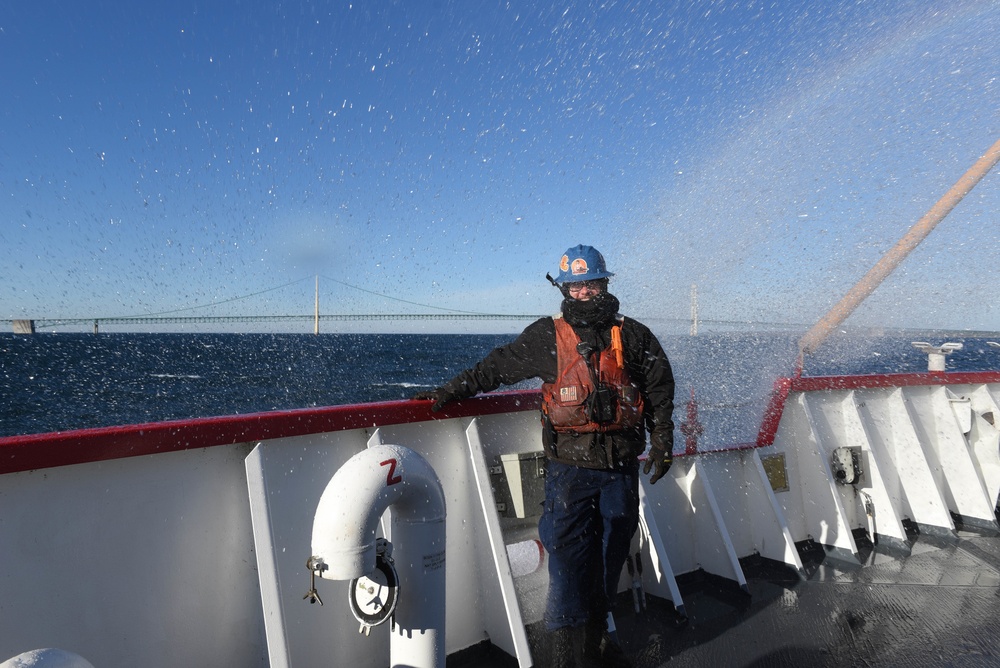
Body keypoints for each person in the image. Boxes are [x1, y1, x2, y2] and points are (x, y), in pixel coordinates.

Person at [412, 245, 674, 668]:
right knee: (569, 562)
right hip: (569, 473)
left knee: (610, 556)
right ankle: (566, 657)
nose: (584, 292)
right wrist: (451, 390)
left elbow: (660, 387)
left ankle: (598, 644)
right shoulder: (546, 336)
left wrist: (663, 439)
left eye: (590, 283)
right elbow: (496, 368)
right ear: (564, 288)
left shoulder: (634, 335)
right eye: (575, 285)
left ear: (604, 283)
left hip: (621, 472)